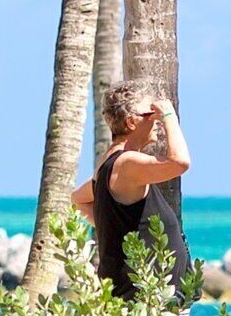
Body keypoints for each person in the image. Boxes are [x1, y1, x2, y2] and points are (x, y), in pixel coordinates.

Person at [74, 82, 194, 302]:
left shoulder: (109, 163)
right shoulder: (127, 163)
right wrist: (170, 117)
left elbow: (78, 200)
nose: (157, 122)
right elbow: (180, 163)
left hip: (142, 297)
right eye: (152, 114)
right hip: (149, 303)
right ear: (131, 122)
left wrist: (112, 227)